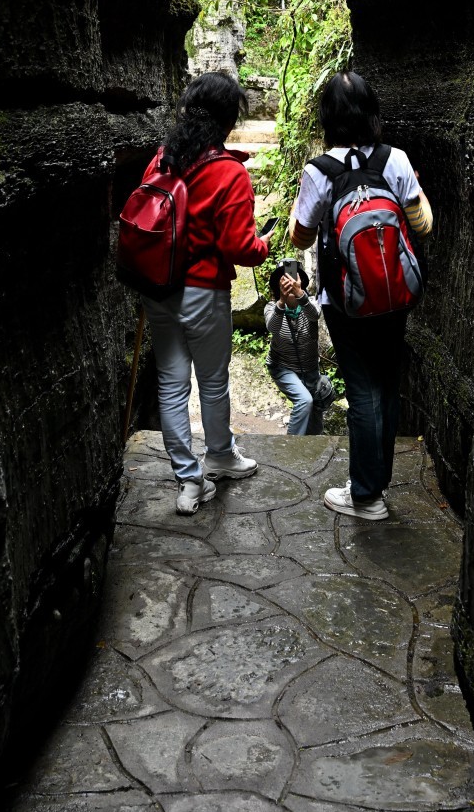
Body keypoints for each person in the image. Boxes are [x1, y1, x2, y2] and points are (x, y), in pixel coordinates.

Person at [288, 70, 432, 521]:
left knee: (362, 388)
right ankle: (377, 482)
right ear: (372, 113)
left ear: (327, 118)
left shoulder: (319, 170)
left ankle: (366, 494)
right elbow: (423, 225)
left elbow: (298, 237)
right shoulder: (397, 160)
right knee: (387, 382)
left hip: (345, 300)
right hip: (395, 293)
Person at [139, 71, 272, 514]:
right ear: (228, 119)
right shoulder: (229, 172)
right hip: (202, 291)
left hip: (158, 289)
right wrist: (266, 245)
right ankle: (220, 454)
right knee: (213, 382)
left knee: (171, 385)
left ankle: (189, 482)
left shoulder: (161, 159)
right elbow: (240, 247)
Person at [264, 260, 326, 436]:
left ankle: (313, 450)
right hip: (282, 366)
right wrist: (282, 301)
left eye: (293, 278)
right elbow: (272, 328)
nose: (289, 283)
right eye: (284, 280)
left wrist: (300, 294)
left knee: (316, 412)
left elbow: (315, 315)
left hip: (310, 369)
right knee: (304, 401)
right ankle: (291, 447)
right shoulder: (272, 307)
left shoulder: (311, 303)